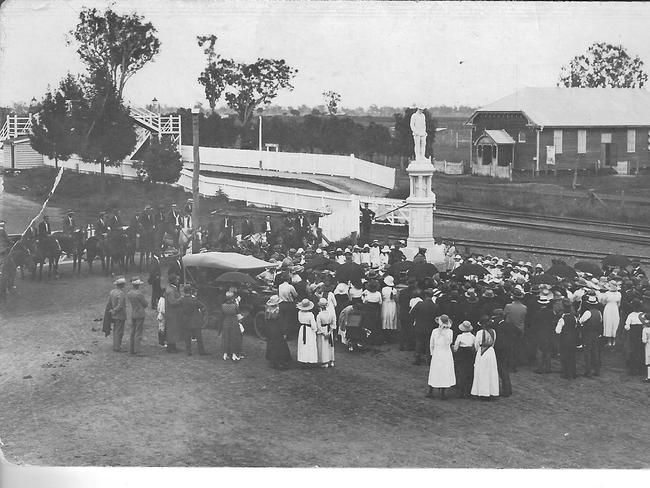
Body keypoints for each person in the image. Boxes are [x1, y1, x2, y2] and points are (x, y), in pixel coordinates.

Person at [426, 315, 456, 399]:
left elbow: (448, 342)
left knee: (440, 371)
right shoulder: (436, 331)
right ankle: (434, 391)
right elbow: (432, 343)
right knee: (439, 371)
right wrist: (433, 353)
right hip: (442, 353)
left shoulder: (448, 332)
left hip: (442, 353)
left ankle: (437, 391)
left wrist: (432, 353)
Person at [471, 315, 500, 400]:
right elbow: (493, 342)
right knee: (491, 372)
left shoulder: (479, 333)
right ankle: (491, 392)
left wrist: (478, 351)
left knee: (482, 372)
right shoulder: (494, 332)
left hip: (482, 353)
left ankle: (483, 392)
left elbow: (476, 344)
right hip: (491, 352)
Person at [411, 289, 439, 365]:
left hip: (419, 326)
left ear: (425, 295)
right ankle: (429, 360)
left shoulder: (420, 304)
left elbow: (412, 313)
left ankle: (417, 359)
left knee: (419, 342)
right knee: (429, 343)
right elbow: (437, 318)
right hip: (430, 327)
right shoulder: (435, 306)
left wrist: (418, 318)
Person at [264, 295, 292, 369]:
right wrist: (284, 332)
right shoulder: (278, 311)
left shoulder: (268, 310)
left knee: (271, 344)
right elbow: (281, 322)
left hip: (270, 329)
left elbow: (266, 320)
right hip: (277, 329)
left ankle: (272, 360)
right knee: (279, 345)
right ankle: (279, 361)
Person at [579, 294, 603, 377]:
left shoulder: (587, 312)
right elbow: (600, 322)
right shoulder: (599, 313)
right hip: (596, 334)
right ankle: (596, 370)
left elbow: (580, 321)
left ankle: (588, 371)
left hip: (588, 334)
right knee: (595, 352)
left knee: (587, 352)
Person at [555, 298, 579, 379]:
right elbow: (576, 327)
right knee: (572, 356)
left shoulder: (562, 319)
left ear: (564, 309)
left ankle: (566, 373)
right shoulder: (574, 318)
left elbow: (557, 331)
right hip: (573, 339)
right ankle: (573, 372)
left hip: (564, 340)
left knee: (565, 356)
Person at [179, 284, 207, 356]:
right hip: (195, 320)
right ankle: (201, 351)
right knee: (198, 337)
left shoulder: (181, 299)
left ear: (184, 291)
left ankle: (188, 352)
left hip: (186, 320)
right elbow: (202, 305)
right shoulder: (194, 299)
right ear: (190, 291)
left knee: (187, 337)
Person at [532, 293, 556, 374]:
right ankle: (548, 368)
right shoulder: (551, 312)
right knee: (548, 350)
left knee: (540, 350)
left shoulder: (537, 313)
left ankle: (540, 368)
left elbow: (534, 324)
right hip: (549, 333)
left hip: (540, 333)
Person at [492, 309, 513, 396]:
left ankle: (506, 390)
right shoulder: (508, 325)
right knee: (504, 370)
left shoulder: (500, 326)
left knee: (502, 370)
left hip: (501, 350)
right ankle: (508, 389)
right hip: (506, 350)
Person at [453, 321, 476, 398]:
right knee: (469, 372)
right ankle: (468, 391)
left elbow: (456, 348)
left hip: (462, 354)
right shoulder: (473, 337)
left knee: (462, 372)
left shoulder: (460, 336)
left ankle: (462, 391)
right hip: (470, 355)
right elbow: (475, 346)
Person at [126, 277, 148, 356]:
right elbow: (145, 304)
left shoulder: (129, 293)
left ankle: (132, 349)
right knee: (138, 332)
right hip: (140, 313)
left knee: (133, 331)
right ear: (138, 285)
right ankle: (137, 350)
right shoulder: (139, 293)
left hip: (133, 312)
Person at [624, 299, 646, 376]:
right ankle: (641, 368)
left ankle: (633, 369)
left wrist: (629, 329)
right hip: (641, 334)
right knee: (641, 350)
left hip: (633, 335)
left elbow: (627, 326)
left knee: (633, 350)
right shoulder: (643, 315)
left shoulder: (631, 315)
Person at [221, 291, 243, 361]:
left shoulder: (223, 305)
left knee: (226, 338)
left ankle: (225, 354)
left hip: (226, 322)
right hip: (234, 322)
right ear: (233, 298)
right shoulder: (235, 306)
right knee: (234, 338)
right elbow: (238, 314)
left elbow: (222, 315)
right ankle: (234, 354)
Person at [164, 274, 183, 353]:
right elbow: (172, 302)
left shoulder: (172, 288)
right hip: (172, 313)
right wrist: (181, 299)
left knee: (173, 330)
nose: (178, 281)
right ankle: (170, 347)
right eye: (177, 280)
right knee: (172, 330)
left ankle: (172, 346)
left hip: (172, 313)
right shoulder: (171, 290)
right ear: (173, 280)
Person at [296, 299, 318, 366]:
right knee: (310, 345)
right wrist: (315, 330)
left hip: (302, 329)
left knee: (303, 345)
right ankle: (309, 360)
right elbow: (313, 325)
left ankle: (302, 359)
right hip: (309, 330)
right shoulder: (310, 314)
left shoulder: (299, 313)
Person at [108, 276, 127, 352]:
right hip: (120, 314)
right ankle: (117, 346)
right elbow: (120, 305)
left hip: (114, 314)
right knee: (119, 331)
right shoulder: (121, 293)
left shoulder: (112, 292)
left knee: (116, 330)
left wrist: (112, 310)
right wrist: (115, 310)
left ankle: (116, 345)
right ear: (122, 285)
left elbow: (109, 302)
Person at [316, 297, 336, 368]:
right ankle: (331, 361)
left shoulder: (319, 315)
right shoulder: (331, 314)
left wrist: (324, 333)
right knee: (330, 346)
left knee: (323, 346)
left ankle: (325, 362)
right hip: (329, 330)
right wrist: (330, 332)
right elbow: (333, 324)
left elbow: (318, 326)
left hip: (323, 331)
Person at [601, 281, 621, 347]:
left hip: (608, 308)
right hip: (615, 309)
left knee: (609, 323)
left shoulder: (606, 293)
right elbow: (619, 304)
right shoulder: (619, 294)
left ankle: (609, 341)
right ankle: (613, 341)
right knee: (614, 323)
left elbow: (603, 302)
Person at [641, 313, 650, 383]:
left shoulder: (645, 330)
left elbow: (644, 340)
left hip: (648, 346)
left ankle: (649, 377)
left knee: (648, 362)